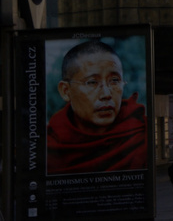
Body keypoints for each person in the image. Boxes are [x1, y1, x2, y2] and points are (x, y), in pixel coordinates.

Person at [46, 40, 147, 174]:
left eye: (115, 81)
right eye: (92, 82)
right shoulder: (49, 146)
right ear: (65, 91)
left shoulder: (141, 136)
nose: (106, 94)